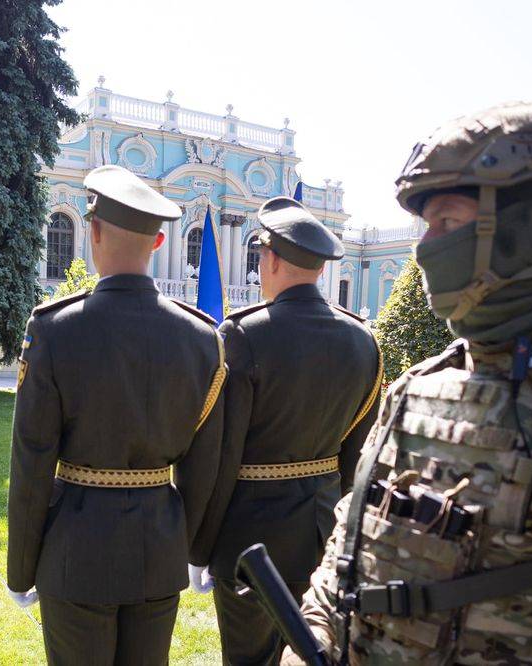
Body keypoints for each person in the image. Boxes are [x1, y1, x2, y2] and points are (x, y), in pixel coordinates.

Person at [285, 102, 532, 665]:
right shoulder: (418, 388)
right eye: (425, 227)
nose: (426, 249)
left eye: (447, 224)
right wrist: (312, 644)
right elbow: (348, 551)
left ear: (527, 231)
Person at [6, 164, 227, 664]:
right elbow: (203, 467)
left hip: (74, 554)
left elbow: (31, 462)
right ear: (156, 244)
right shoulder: (202, 339)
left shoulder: (54, 330)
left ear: (93, 231)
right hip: (159, 552)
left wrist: (20, 569)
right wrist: (189, 549)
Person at [185, 196, 382, 665]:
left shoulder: (243, 334)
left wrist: (199, 545)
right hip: (324, 536)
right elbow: (360, 459)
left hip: (249, 540)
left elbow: (219, 453)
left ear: (270, 258)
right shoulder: (363, 340)